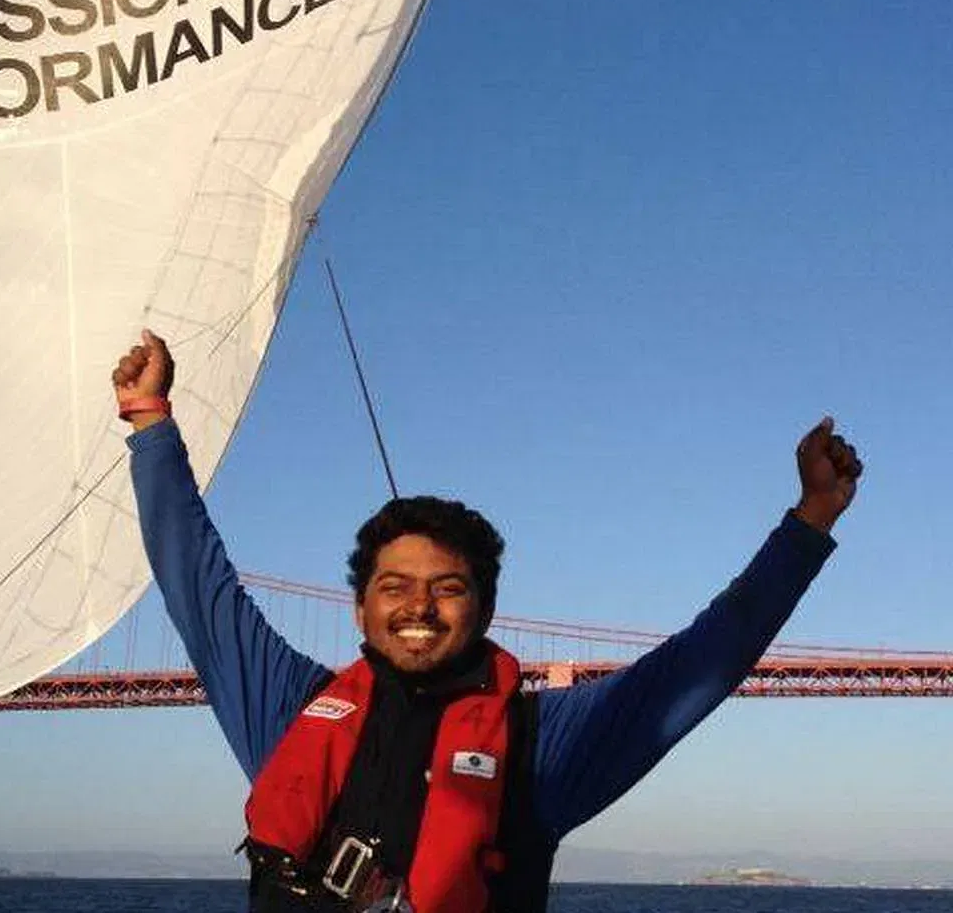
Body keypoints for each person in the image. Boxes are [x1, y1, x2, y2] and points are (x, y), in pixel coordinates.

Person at [112, 329, 863, 913]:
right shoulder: (289, 708)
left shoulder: (543, 744)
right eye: (394, 586)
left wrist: (810, 521)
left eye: (447, 588)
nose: (418, 606)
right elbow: (197, 587)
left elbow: (699, 664)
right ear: (360, 607)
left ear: (486, 609)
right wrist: (149, 422)